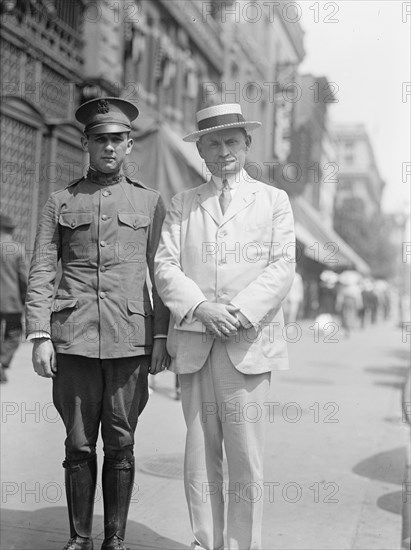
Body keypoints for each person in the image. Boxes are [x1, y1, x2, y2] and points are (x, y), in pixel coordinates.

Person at [25, 97, 170, 550]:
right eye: (100, 139)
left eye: (118, 140)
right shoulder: (60, 201)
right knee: (78, 444)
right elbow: (43, 268)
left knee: (122, 443)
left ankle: (115, 540)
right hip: (73, 339)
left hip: (131, 339)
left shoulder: (149, 202)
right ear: (86, 143)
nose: (109, 147)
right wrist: (40, 334)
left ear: (130, 146)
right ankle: (78, 539)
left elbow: (162, 271)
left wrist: (162, 335)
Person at [155, 103, 295, 550]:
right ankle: (203, 541)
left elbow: (282, 266)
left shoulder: (274, 200)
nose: (223, 150)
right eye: (212, 143)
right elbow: (164, 266)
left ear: (246, 144)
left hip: (246, 342)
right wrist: (201, 308)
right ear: (201, 151)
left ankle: (240, 546)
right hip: (196, 342)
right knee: (199, 455)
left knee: (245, 458)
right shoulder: (183, 203)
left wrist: (235, 312)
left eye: (231, 141)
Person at [0, 213, 27, 383]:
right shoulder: (17, 249)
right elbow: (23, 278)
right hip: (11, 301)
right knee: (14, 333)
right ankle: (2, 364)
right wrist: (25, 299)